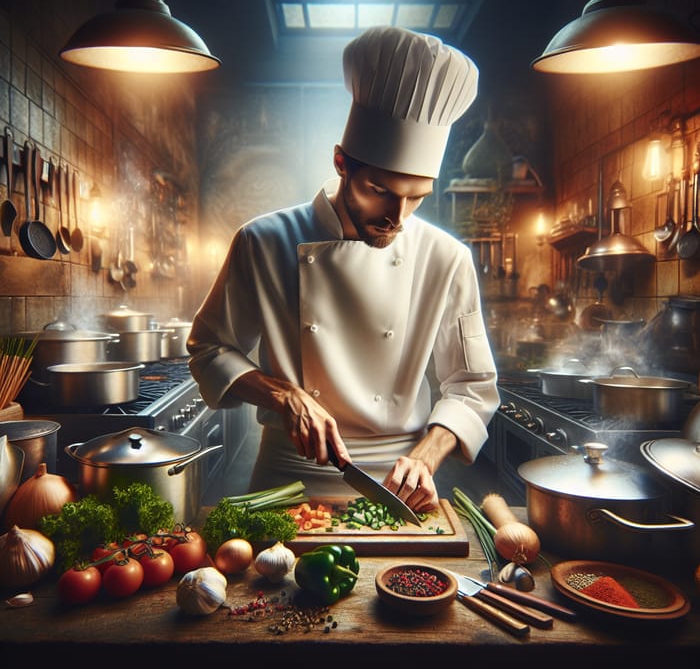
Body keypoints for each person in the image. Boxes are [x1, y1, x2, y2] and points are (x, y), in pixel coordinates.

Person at [187, 26, 499, 513]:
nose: (398, 216)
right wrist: (284, 394)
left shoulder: (446, 257)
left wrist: (426, 455)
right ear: (341, 162)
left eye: (416, 197)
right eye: (380, 190)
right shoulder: (262, 241)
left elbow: (472, 386)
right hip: (288, 476)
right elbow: (208, 349)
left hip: (400, 486)